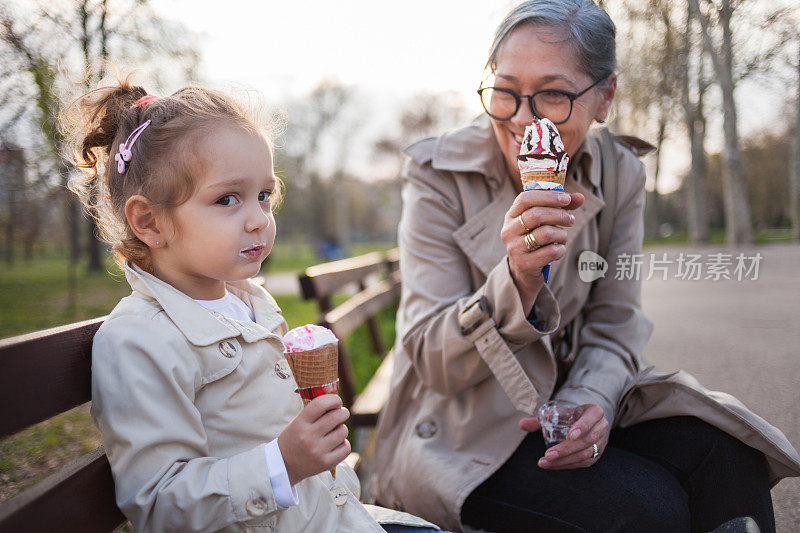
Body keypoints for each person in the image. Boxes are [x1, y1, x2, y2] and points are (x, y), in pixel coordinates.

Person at [370, 1, 800, 532]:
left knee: (728, 458)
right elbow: (431, 361)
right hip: (462, 428)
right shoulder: (437, 173)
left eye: (552, 94)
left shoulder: (619, 171)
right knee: (650, 509)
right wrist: (517, 280)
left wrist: (587, 403)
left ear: (606, 97)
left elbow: (616, 322)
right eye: (505, 91)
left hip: (568, 399)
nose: (523, 120)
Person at [64, 78, 442, 532]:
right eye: (227, 199)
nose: (259, 218)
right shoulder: (140, 340)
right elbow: (161, 502)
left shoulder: (251, 303)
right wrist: (283, 462)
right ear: (149, 221)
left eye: (265, 195)